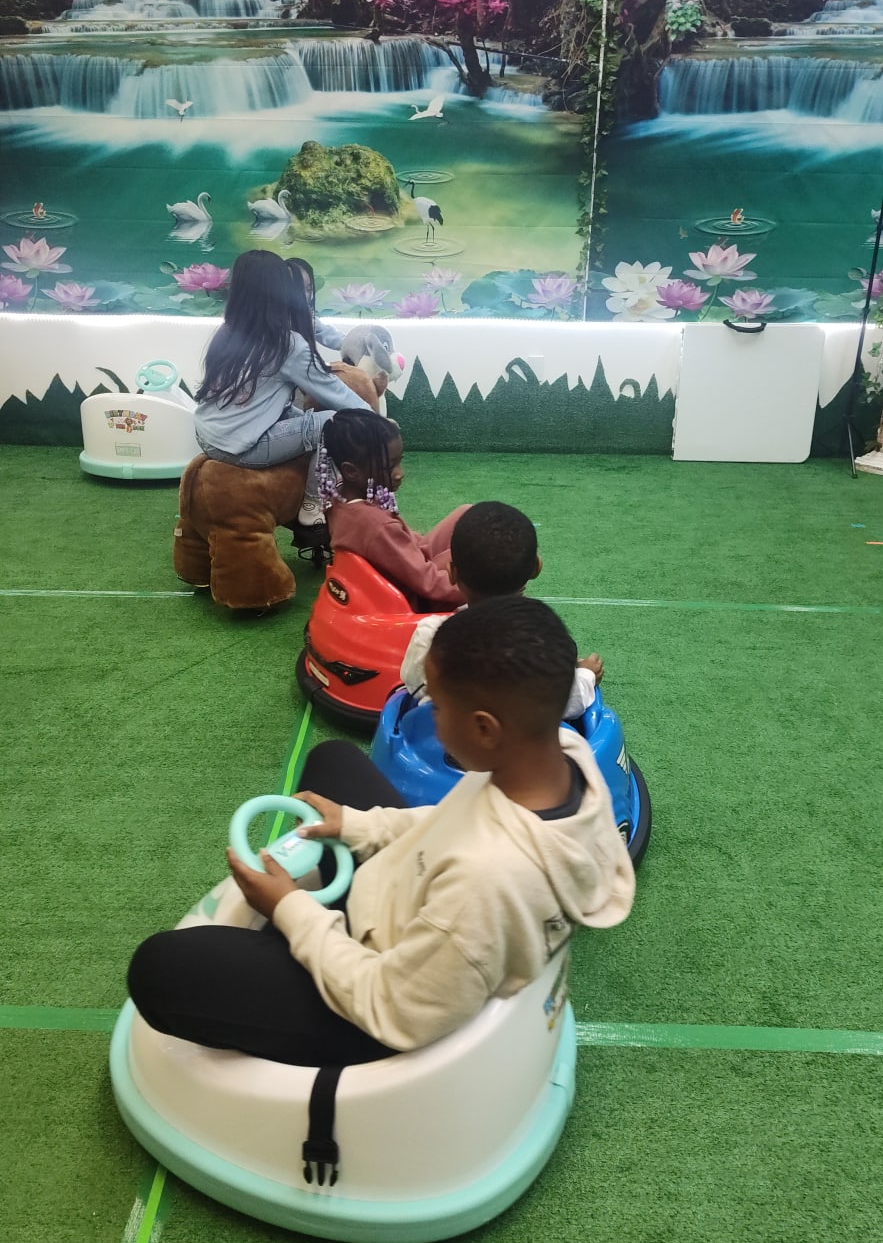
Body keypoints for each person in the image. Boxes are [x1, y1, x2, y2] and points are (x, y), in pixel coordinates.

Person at [127, 597, 636, 1065]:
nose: (432, 719)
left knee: (156, 971)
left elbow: (389, 1006)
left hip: (379, 1003)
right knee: (333, 759)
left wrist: (289, 910)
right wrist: (355, 825)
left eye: (439, 707)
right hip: (409, 908)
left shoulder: (486, 881)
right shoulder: (559, 755)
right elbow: (452, 820)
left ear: (485, 729)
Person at [193, 249, 373, 533]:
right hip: (240, 446)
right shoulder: (287, 344)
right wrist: (374, 420)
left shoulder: (227, 332)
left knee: (299, 415)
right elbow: (335, 393)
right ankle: (312, 505)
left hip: (207, 434)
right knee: (333, 423)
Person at [400, 500, 604, 717]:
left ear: (451, 573)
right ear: (536, 567)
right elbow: (564, 701)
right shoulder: (542, 643)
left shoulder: (428, 635)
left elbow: (412, 683)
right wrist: (586, 675)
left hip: (439, 735)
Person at [318, 408, 467, 611]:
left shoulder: (339, 495)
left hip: (407, 564)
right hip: (416, 596)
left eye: (399, 461)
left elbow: (400, 545)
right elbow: (428, 582)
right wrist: (480, 587)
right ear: (351, 471)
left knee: (468, 516)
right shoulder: (376, 526)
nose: (399, 474)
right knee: (478, 551)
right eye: (388, 467)